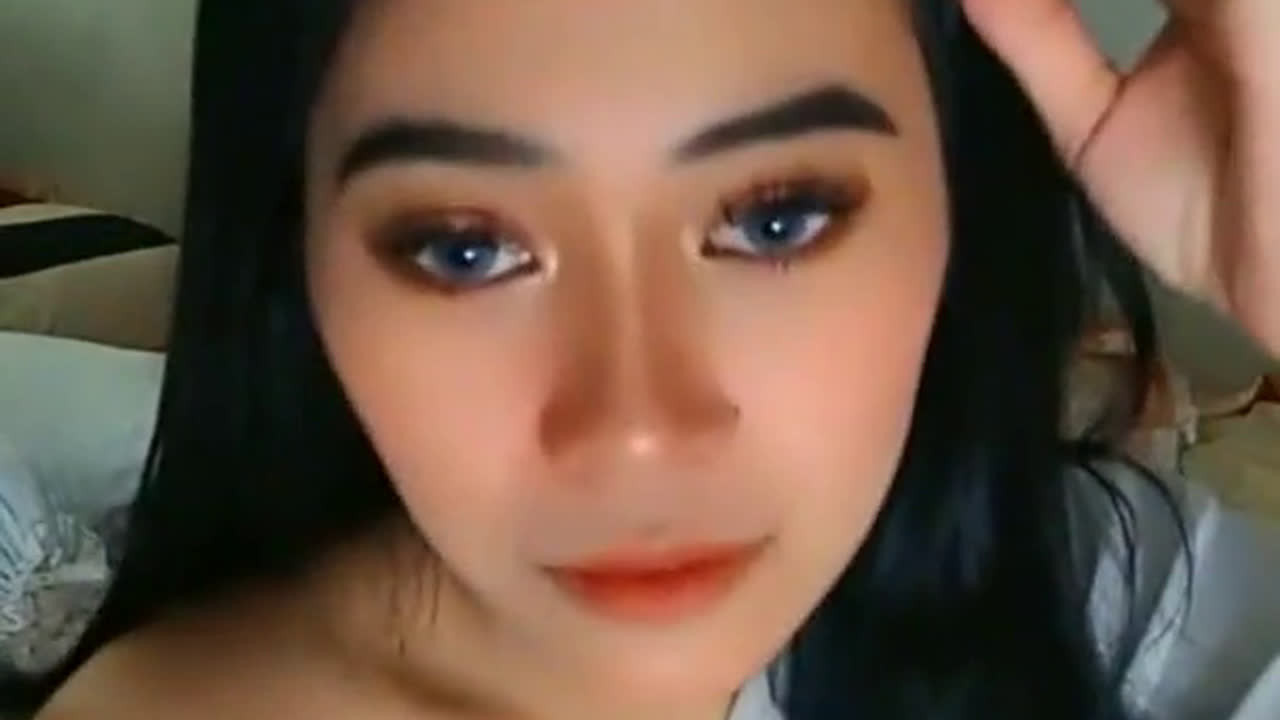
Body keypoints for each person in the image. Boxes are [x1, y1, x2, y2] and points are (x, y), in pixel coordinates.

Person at [7, 0, 1278, 717]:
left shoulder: (1105, 585)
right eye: (464, 249)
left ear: (955, 203)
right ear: (302, 259)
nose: (635, 432)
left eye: (776, 220)